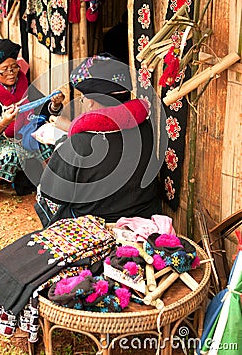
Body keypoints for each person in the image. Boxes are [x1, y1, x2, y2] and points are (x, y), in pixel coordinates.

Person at [35, 54, 161, 227]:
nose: (82, 100)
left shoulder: (78, 144)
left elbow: (51, 198)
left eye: (83, 97)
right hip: (144, 217)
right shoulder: (145, 127)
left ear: (91, 102)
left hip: (95, 226)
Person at [0, 38, 65, 207]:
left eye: (14, 67)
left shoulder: (22, 85)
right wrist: (5, 121)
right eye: (5, 69)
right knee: (11, 154)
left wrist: (54, 104)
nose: (12, 73)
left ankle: (51, 181)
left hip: (23, 135)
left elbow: (42, 109)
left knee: (48, 142)